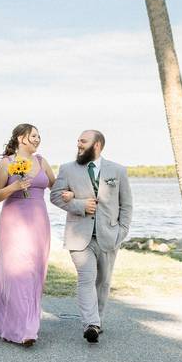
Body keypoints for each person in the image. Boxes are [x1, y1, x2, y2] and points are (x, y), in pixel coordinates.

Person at [49, 130, 133, 343]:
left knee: (103, 282)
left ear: (97, 145)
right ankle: (91, 324)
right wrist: (79, 204)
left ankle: (98, 320)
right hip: (79, 236)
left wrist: (121, 231)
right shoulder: (67, 169)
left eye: (83, 141)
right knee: (86, 279)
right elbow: (55, 196)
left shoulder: (118, 170)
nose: (78, 144)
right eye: (78, 140)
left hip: (109, 236)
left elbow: (126, 205)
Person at [0, 123, 57, 347]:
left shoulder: (41, 161)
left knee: (34, 272)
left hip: (39, 222)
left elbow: (55, 186)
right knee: (18, 273)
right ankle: (23, 330)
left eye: (38, 135)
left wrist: (74, 195)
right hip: (14, 222)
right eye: (34, 135)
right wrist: (13, 188)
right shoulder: (6, 163)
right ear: (20, 138)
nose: (37, 139)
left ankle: (26, 322)